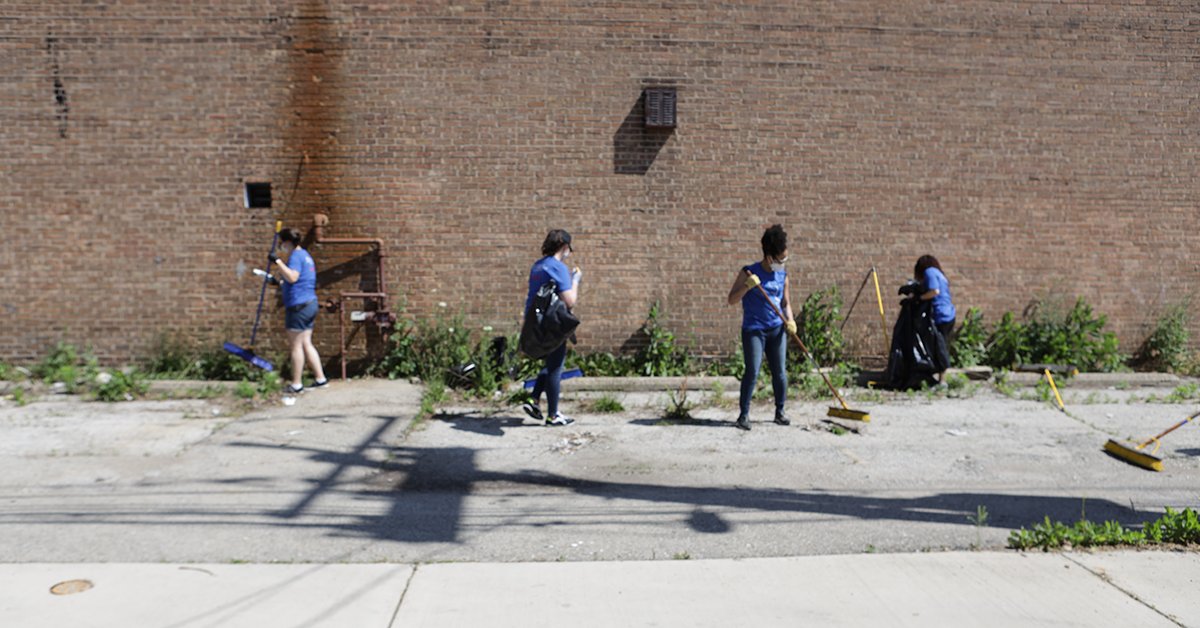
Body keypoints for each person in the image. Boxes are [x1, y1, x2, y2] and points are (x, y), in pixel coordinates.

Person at [726, 224, 795, 431]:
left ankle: (780, 411)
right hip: (754, 330)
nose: (783, 263)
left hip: (777, 329)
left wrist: (790, 320)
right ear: (769, 257)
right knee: (752, 371)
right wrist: (747, 286)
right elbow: (731, 299)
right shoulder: (748, 272)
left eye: (785, 259)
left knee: (780, 373)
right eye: (780, 259)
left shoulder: (783, 276)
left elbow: (785, 303)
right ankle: (744, 415)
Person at [522, 229, 581, 427]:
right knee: (556, 367)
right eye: (568, 249)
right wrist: (575, 280)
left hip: (536, 322)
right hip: (553, 323)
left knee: (551, 362)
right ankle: (553, 415)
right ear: (564, 247)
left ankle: (534, 399)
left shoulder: (538, 266)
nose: (568, 253)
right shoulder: (558, 267)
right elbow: (570, 301)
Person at [269, 227, 328, 394]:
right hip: (309, 303)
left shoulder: (295, 256)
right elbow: (300, 281)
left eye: (282, 243)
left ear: (288, 242)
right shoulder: (306, 256)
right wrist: (279, 283)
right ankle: (320, 378)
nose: (281, 246)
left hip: (298, 306)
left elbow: (293, 277)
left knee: (296, 346)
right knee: (306, 343)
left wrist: (278, 262)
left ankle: (296, 384)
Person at [915, 254, 956, 385]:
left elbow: (934, 291)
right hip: (949, 314)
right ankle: (938, 378)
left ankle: (942, 381)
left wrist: (920, 298)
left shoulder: (929, 272)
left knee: (939, 347)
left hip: (941, 315)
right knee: (940, 345)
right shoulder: (939, 273)